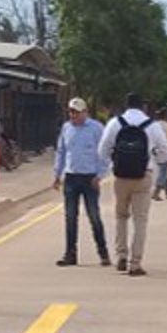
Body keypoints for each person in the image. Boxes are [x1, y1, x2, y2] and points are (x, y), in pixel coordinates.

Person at [98, 92, 167, 277]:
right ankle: (135, 263)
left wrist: (115, 161)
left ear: (126, 105)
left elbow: (102, 150)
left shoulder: (115, 123)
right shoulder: (152, 125)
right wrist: (153, 158)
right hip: (143, 176)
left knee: (121, 216)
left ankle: (121, 256)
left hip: (121, 177)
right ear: (143, 106)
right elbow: (166, 153)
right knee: (140, 221)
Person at [50, 97, 109, 267]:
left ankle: (103, 251)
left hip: (90, 178)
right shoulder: (66, 128)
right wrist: (57, 174)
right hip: (71, 177)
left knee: (94, 216)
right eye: (71, 112)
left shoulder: (96, 128)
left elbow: (104, 153)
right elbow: (61, 152)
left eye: (76, 112)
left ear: (85, 112)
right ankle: (70, 253)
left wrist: (100, 175)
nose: (73, 115)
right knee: (70, 217)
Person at [151, 112, 167, 201]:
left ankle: (163, 191)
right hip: (166, 154)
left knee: (162, 172)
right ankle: (158, 192)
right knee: (163, 172)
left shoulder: (153, 126)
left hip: (155, 153)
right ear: (166, 116)